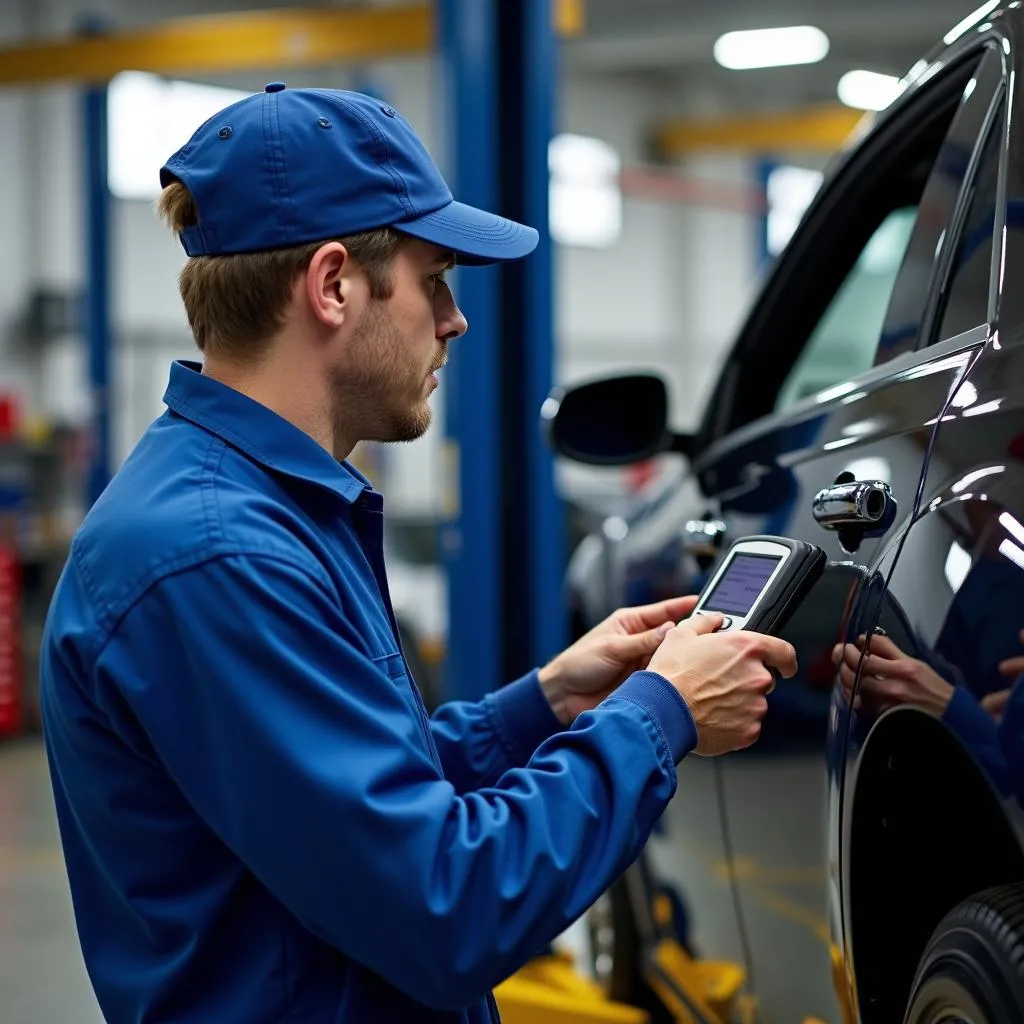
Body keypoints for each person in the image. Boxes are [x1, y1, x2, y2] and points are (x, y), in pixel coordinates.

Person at [39, 85, 796, 1024]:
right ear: (332, 285)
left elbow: (343, 804)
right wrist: (662, 712)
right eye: (434, 278)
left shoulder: (266, 509)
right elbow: (447, 906)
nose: (455, 319)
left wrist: (547, 702)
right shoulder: (217, 557)